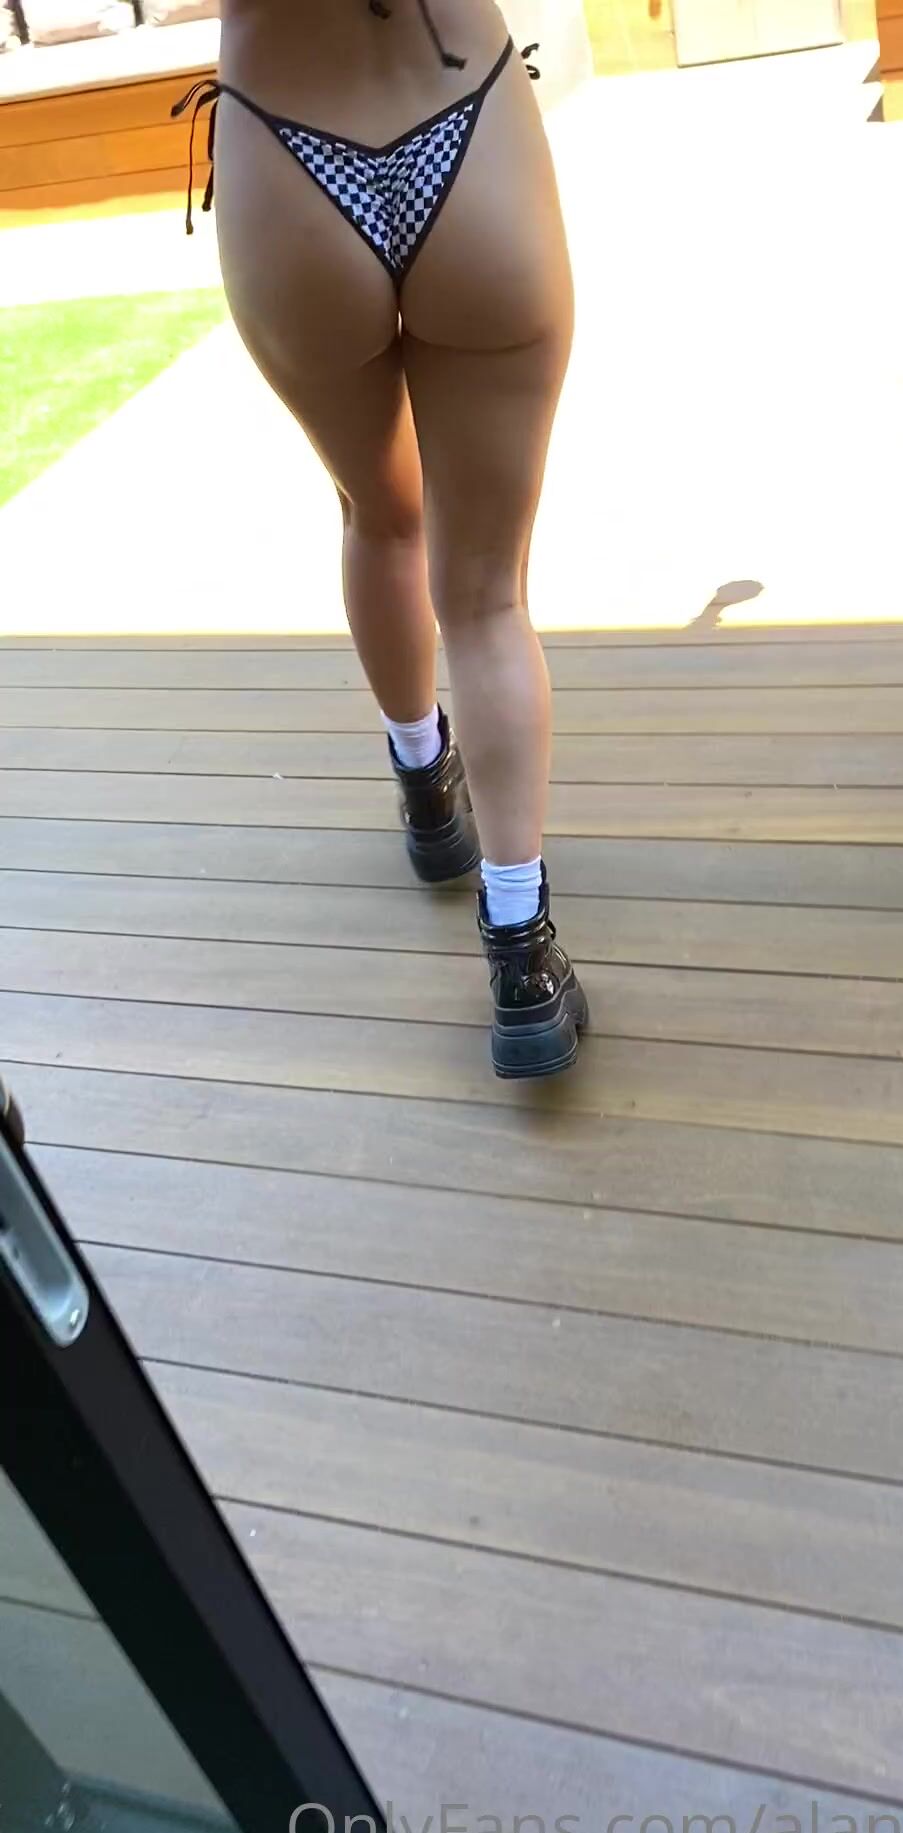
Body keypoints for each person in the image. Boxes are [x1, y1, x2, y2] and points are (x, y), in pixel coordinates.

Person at [174, 0, 589, 1079]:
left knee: (379, 512)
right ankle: (521, 960)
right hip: (467, 129)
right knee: (488, 598)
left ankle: (426, 789)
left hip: (287, 159)